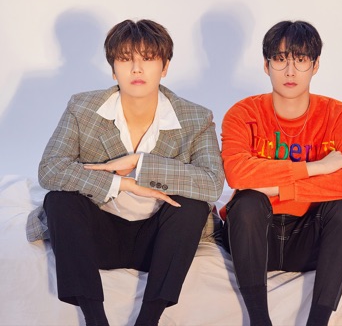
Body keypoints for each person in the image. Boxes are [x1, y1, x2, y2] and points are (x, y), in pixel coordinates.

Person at [26, 19, 225, 326]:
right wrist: (123, 184)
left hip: (158, 241)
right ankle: (95, 319)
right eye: (125, 59)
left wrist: (140, 164)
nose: (136, 69)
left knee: (193, 206)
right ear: (113, 68)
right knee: (59, 200)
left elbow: (212, 183)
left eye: (148, 59)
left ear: (165, 66)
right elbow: (50, 169)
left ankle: (149, 319)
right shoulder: (83, 107)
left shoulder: (195, 117)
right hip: (98, 233)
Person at [219, 20, 342, 326]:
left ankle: (318, 322)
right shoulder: (243, 113)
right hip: (255, 238)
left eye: (300, 60)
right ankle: (259, 320)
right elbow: (237, 175)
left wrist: (280, 188)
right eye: (280, 59)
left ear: (315, 66)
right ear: (266, 65)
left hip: (309, 239)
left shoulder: (340, 115)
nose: (290, 71)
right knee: (247, 202)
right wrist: (317, 168)